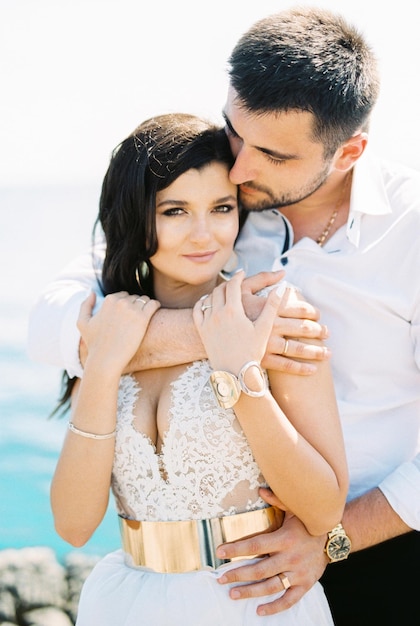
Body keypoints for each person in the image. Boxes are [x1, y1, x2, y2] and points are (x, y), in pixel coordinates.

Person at [27, 7, 420, 626]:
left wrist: (330, 537)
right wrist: (200, 338)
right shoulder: (222, 197)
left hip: (387, 545)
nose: (239, 168)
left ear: (349, 152)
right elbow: (55, 320)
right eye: (236, 133)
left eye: (270, 154)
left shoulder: (410, 233)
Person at [49, 112, 348, 626]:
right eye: (175, 210)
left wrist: (239, 373)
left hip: (251, 603)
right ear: (136, 215)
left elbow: (323, 511)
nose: (203, 234)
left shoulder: (273, 314)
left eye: (222, 208)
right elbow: (74, 526)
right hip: (128, 604)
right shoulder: (111, 324)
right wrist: (101, 366)